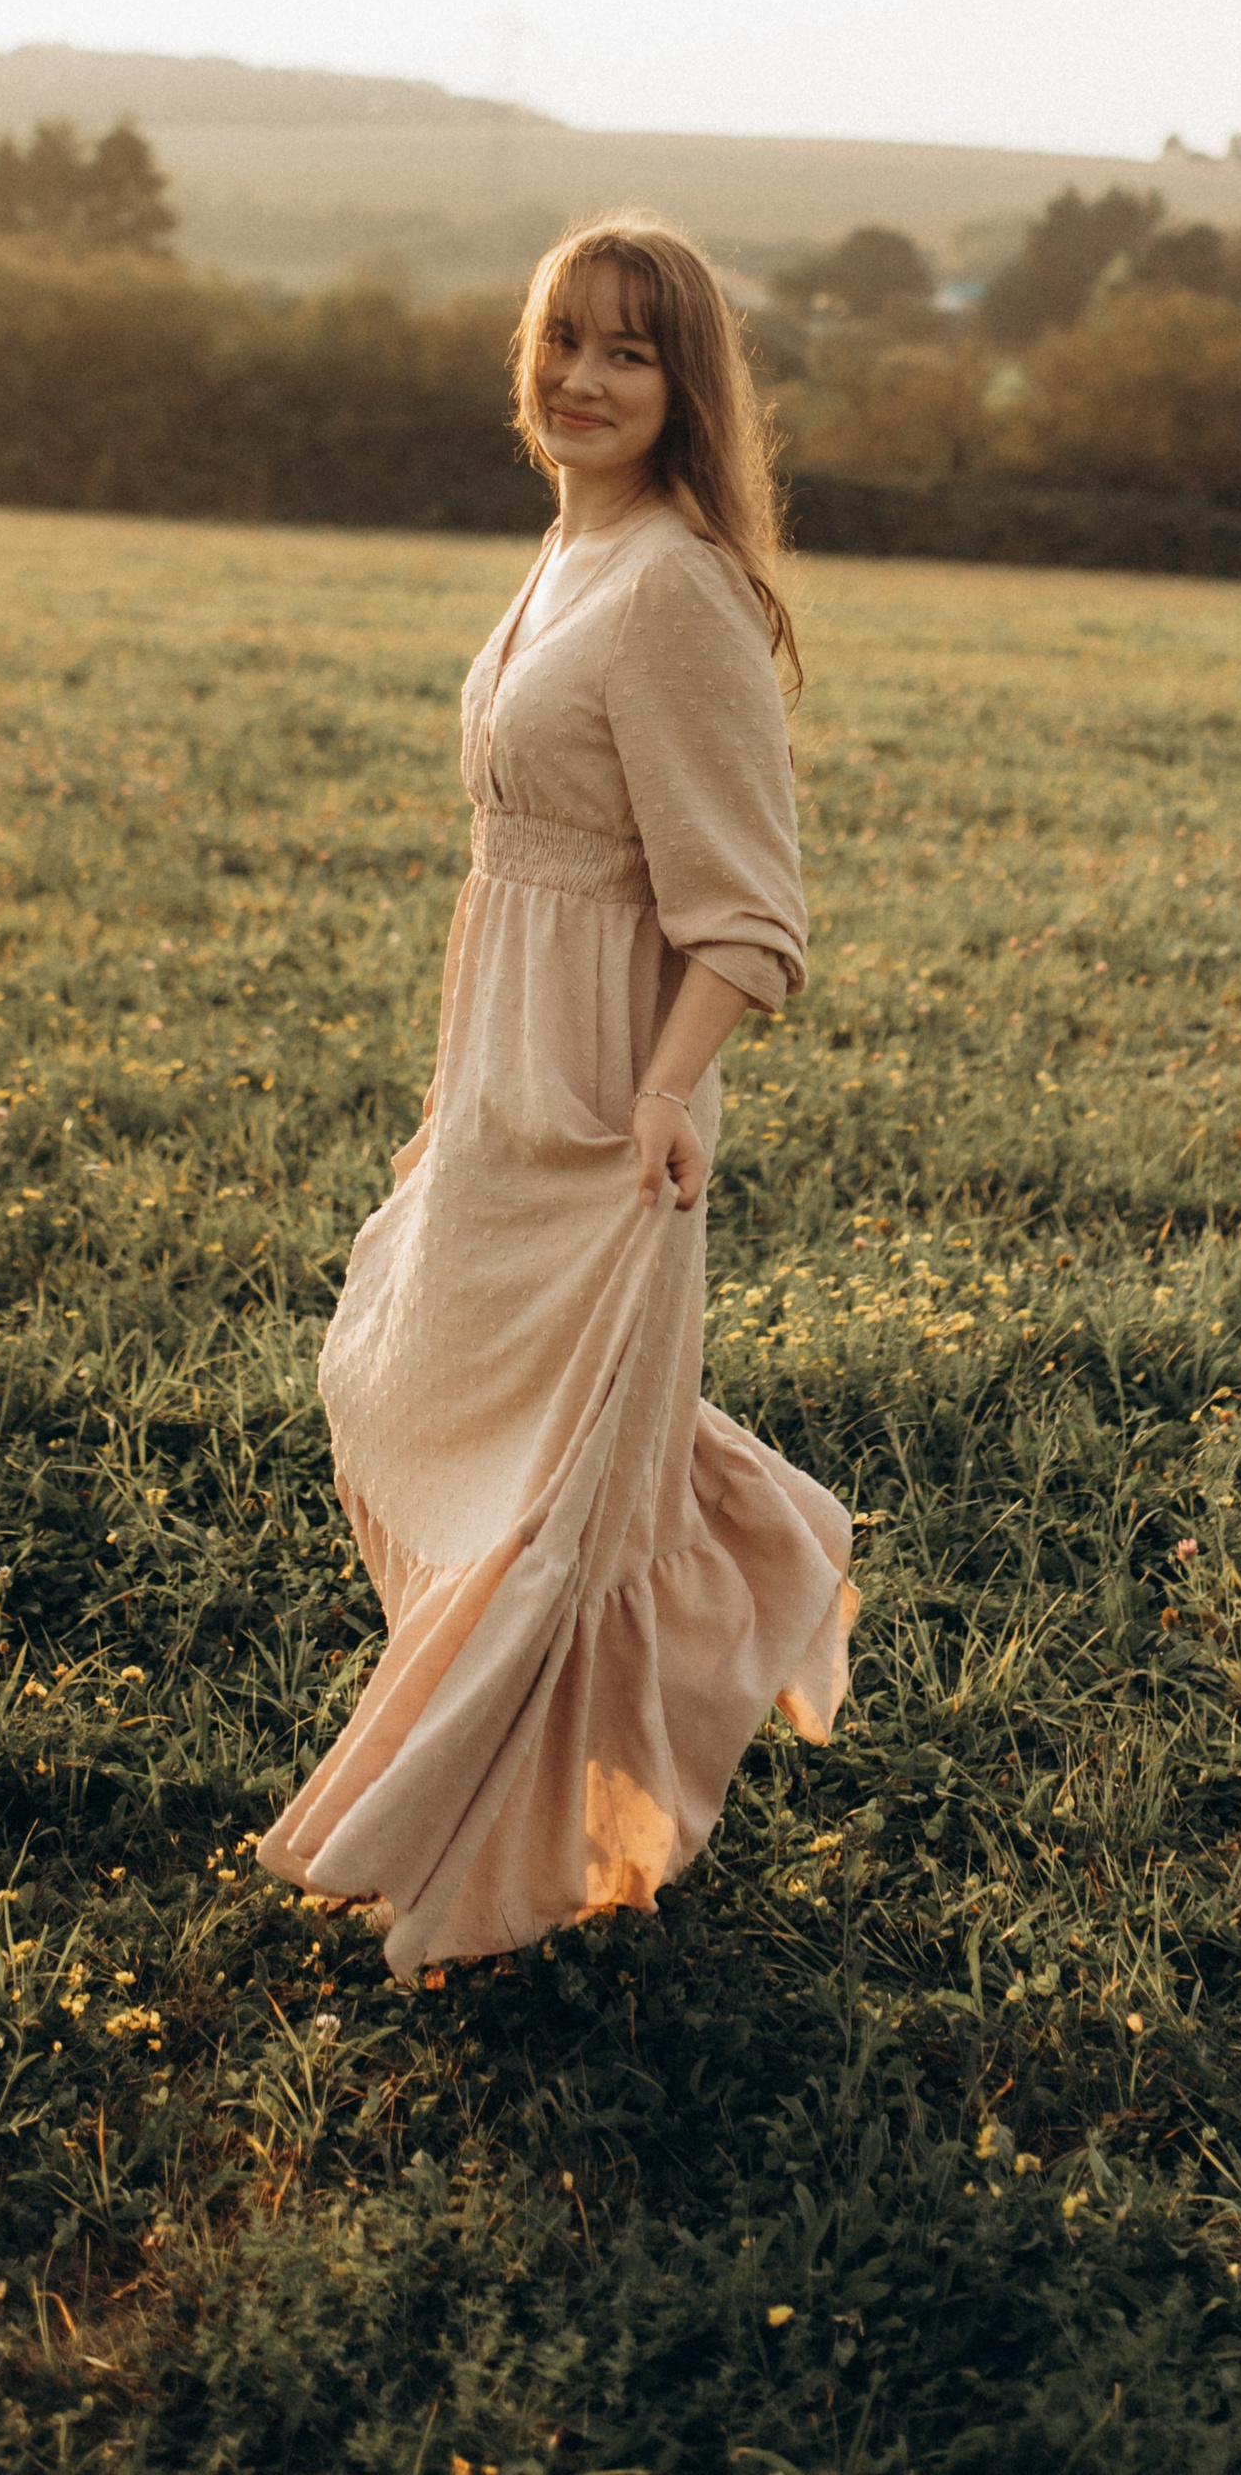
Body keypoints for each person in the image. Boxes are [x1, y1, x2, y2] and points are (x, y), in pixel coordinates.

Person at [257, 216, 858, 1973]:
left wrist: (667, 1094)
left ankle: (495, 1862)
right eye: (563, 342)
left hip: (608, 1110)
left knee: (562, 1489)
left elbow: (750, 912)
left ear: (686, 388)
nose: (582, 380)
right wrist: (459, 1093)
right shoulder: (572, 549)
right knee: (417, 1386)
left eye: (629, 352)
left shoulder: (675, 588)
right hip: (501, 1084)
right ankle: (577, 1770)